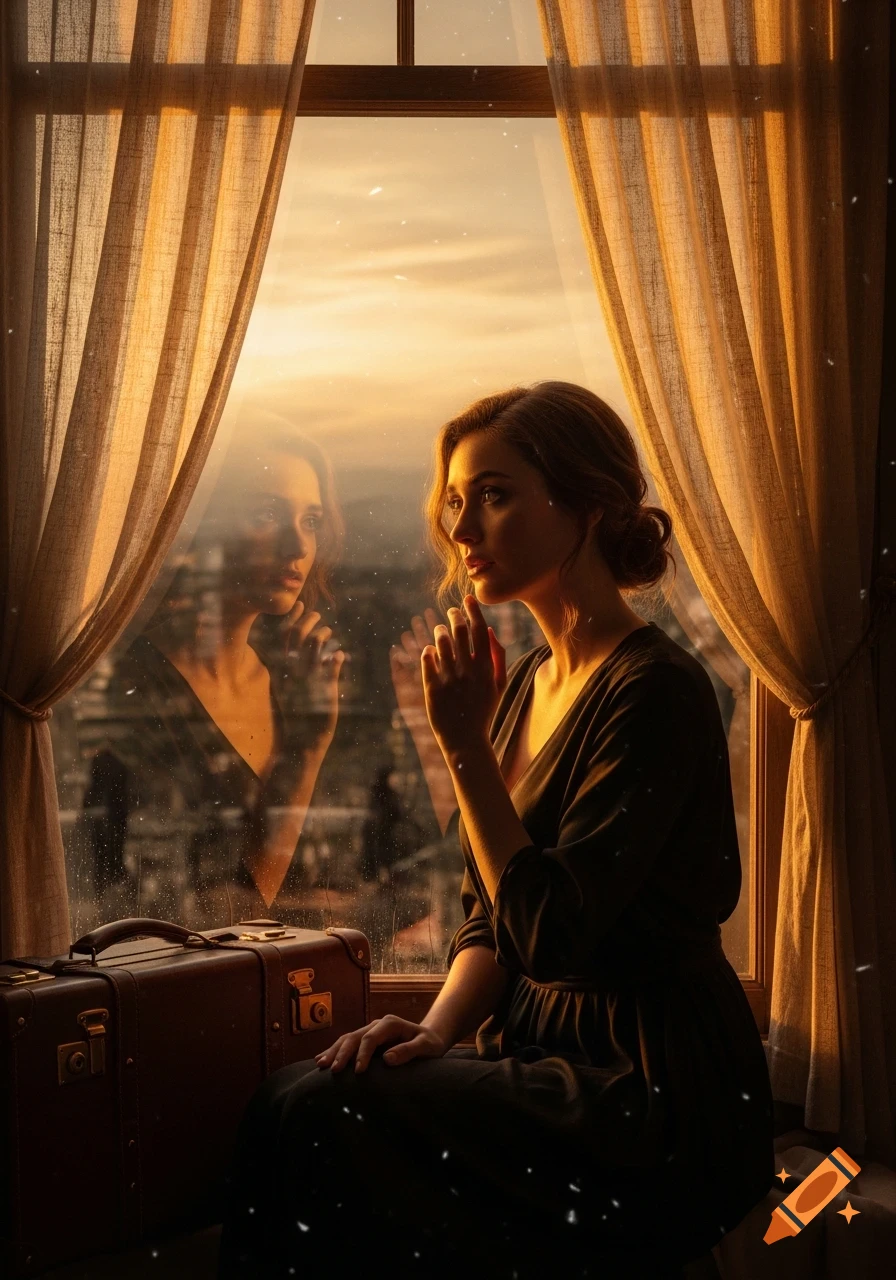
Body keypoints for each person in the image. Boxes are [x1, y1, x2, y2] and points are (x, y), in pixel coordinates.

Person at [216, 382, 775, 1279]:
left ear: (586, 505)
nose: (462, 527)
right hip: (543, 1054)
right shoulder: (527, 684)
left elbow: (550, 931)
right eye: (454, 500)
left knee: (309, 1115)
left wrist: (463, 746)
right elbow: (489, 911)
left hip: (647, 1086)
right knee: (303, 1106)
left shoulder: (656, 693)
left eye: (495, 494)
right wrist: (435, 1031)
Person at [77, 428, 347, 929]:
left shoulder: (287, 680)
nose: (297, 545)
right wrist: (307, 749)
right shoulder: (132, 687)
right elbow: (216, 913)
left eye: (311, 520)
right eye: (266, 514)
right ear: (200, 523)